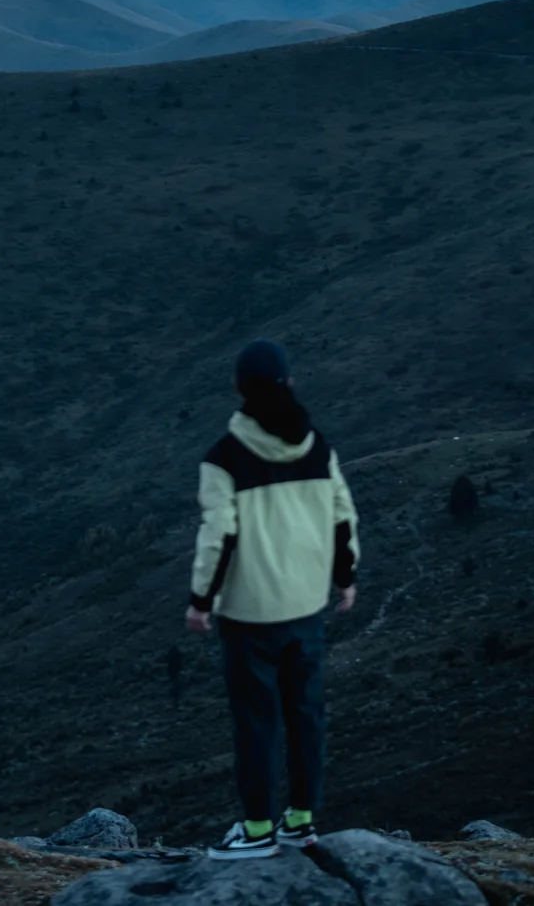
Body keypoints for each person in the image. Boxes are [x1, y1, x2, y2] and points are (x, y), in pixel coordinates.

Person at [185, 339, 359, 858]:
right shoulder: (319, 447)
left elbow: (219, 537)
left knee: (256, 722)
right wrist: (344, 579)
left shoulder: (223, 458)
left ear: (239, 389)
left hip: (249, 614)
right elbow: (342, 517)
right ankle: (301, 821)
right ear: (289, 384)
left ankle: (256, 830)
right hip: (305, 607)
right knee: (306, 715)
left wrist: (200, 601)